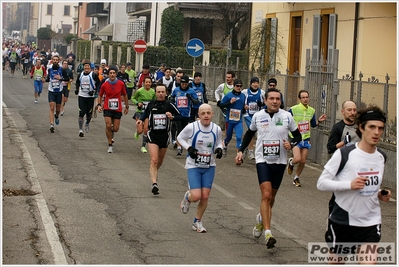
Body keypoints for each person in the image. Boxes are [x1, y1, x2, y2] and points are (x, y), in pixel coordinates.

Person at [317, 105, 390, 264]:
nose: (376, 132)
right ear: (362, 128)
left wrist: (379, 193)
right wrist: (349, 185)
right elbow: (321, 183)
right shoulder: (344, 153)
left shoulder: (381, 157)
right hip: (344, 220)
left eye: (380, 128)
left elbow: (369, 188)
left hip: (370, 221)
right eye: (372, 127)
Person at [235, 88, 302, 249]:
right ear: (265, 100)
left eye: (277, 99)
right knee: (265, 195)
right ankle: (268, 233)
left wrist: (291, 144)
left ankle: (260, 219)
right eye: (271, 98)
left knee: (271, 198)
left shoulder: (287, 116)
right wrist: (240, 151)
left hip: (280, 161)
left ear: (281, 101)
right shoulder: (258, 116)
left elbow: (297, 136)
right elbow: (249, 134)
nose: (274, 101)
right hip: (262, 160)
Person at [177, 103, 224, 233]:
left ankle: (197, 221)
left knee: (205, 196)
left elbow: (219, 141)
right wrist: (189, 148)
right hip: (194, 165)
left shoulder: (216, 129)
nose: (206, 116)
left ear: (212, 114)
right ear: (199, 115)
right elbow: (180, 137)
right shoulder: (192, 127)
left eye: (208, 113)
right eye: (203, 113)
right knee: (196, 196)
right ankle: (188, 197)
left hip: (209, 166)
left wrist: (219, 149)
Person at [136, 83, 181, 194]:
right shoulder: (151, 104)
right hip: (153, 134)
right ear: (155, 93)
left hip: (165, 136)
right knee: (154, 159)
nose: (160, 94)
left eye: (162, 92)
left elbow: (180, 116)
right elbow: (145, 114)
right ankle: (154, 184)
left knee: (160, 161)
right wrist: (140, 120)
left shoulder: (170, 104)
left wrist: (172, 116)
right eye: (158, 92)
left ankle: (154, 173)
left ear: (166, 93)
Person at [287, 90, 327, 187]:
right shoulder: (293, 109)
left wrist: (319, 121)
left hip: (306, 138)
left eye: (306, 97)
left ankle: (296, 178)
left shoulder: (311, 110)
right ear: (299, 99)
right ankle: (291, 162)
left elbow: (313, 124)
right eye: (303, 97)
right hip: (295, 137)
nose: (305, 99)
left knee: (303, 160)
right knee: (297, 158)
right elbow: (286, 120)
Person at [97, 66, 129, 153]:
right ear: (108, 75)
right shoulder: (105, 84)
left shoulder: (121, 83)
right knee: (108, 125)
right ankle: (110, 144)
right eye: (110, 73)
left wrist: (126, 106)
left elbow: (125, 95)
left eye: (113, 73)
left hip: (117, 108)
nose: (112, 75)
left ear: (116, 74)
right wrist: (99, 105)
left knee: (115, 128)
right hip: (107, 107)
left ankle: (111, 133)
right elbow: (100, 95)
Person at [170, 75, 199, 155]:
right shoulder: (176, 90)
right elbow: (171, 98)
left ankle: (180, 143)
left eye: (185, 84)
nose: (184, 85)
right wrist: (172, 100)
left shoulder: (191, 91)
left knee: (183, 130)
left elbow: (197, 102)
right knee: (179, 129)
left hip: (186, 114)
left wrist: (190, 98)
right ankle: (179, 147)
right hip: (177, 113)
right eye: (182, 83)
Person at [219, 79, 246, 160]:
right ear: (234, 86)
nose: (239, 88)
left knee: (238, 137)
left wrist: (245, 108)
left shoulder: (243, 96)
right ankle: (225, 143)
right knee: (229, 137)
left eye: (240, 86)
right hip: (229, 121)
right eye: (237, 86)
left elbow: (243, 108)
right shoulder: (229, 95)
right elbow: (221, 105)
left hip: (238, 121)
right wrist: (230, 103)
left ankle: (238, 155)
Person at [75, 60, 101, 137]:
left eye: (88, 66)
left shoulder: (93, 75)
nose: (86, 68)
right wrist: (77, 89)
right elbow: (77, 82)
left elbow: (99, 84)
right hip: (82, 96)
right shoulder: (80, 75)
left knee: (89, 114)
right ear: (83, 67)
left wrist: (94, 91)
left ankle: (87, 123)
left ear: (90, 68)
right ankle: (80, 130)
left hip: (90, 97)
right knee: (81, 113)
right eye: (85, 66)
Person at [241, 76, 265, 160]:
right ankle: (246, 149)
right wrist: (244, 106)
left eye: (257, 83)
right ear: (251, 84)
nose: (255, 84)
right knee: (251, 132)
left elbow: (265, 103)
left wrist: (261, 104)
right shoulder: (245, 92)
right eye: (254, 83)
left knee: (253, 134)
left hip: (258, 116)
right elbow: (241, 101)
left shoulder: (262, 92)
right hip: (248, 115)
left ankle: (250, 150)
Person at [131, 76, 156, 153]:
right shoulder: (139, 91)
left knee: (146, 129)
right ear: (144, 83)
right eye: (146, 82)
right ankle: (137, 132)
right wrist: (137, 103)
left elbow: (154, 101)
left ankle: (143, 146)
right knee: (140, 130)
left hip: (148, 113)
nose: (148, 84)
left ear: (151, 83)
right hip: (140, 112)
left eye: (149, 82)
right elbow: (133, 98)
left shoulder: (153, 92)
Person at [45, 55, 64, 133]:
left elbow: (67, 78)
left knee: (58, 109)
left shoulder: (61, 70)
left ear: (58, 61)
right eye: (54, 60)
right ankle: (51, 125)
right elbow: (48, 78)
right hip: (51, 91)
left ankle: (56, 116)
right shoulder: (49, 70)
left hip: (59, 91)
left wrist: (61, 78)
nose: (55, 61)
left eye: (57, 60)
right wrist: (45, 79)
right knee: (52, 108)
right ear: (52, 61)